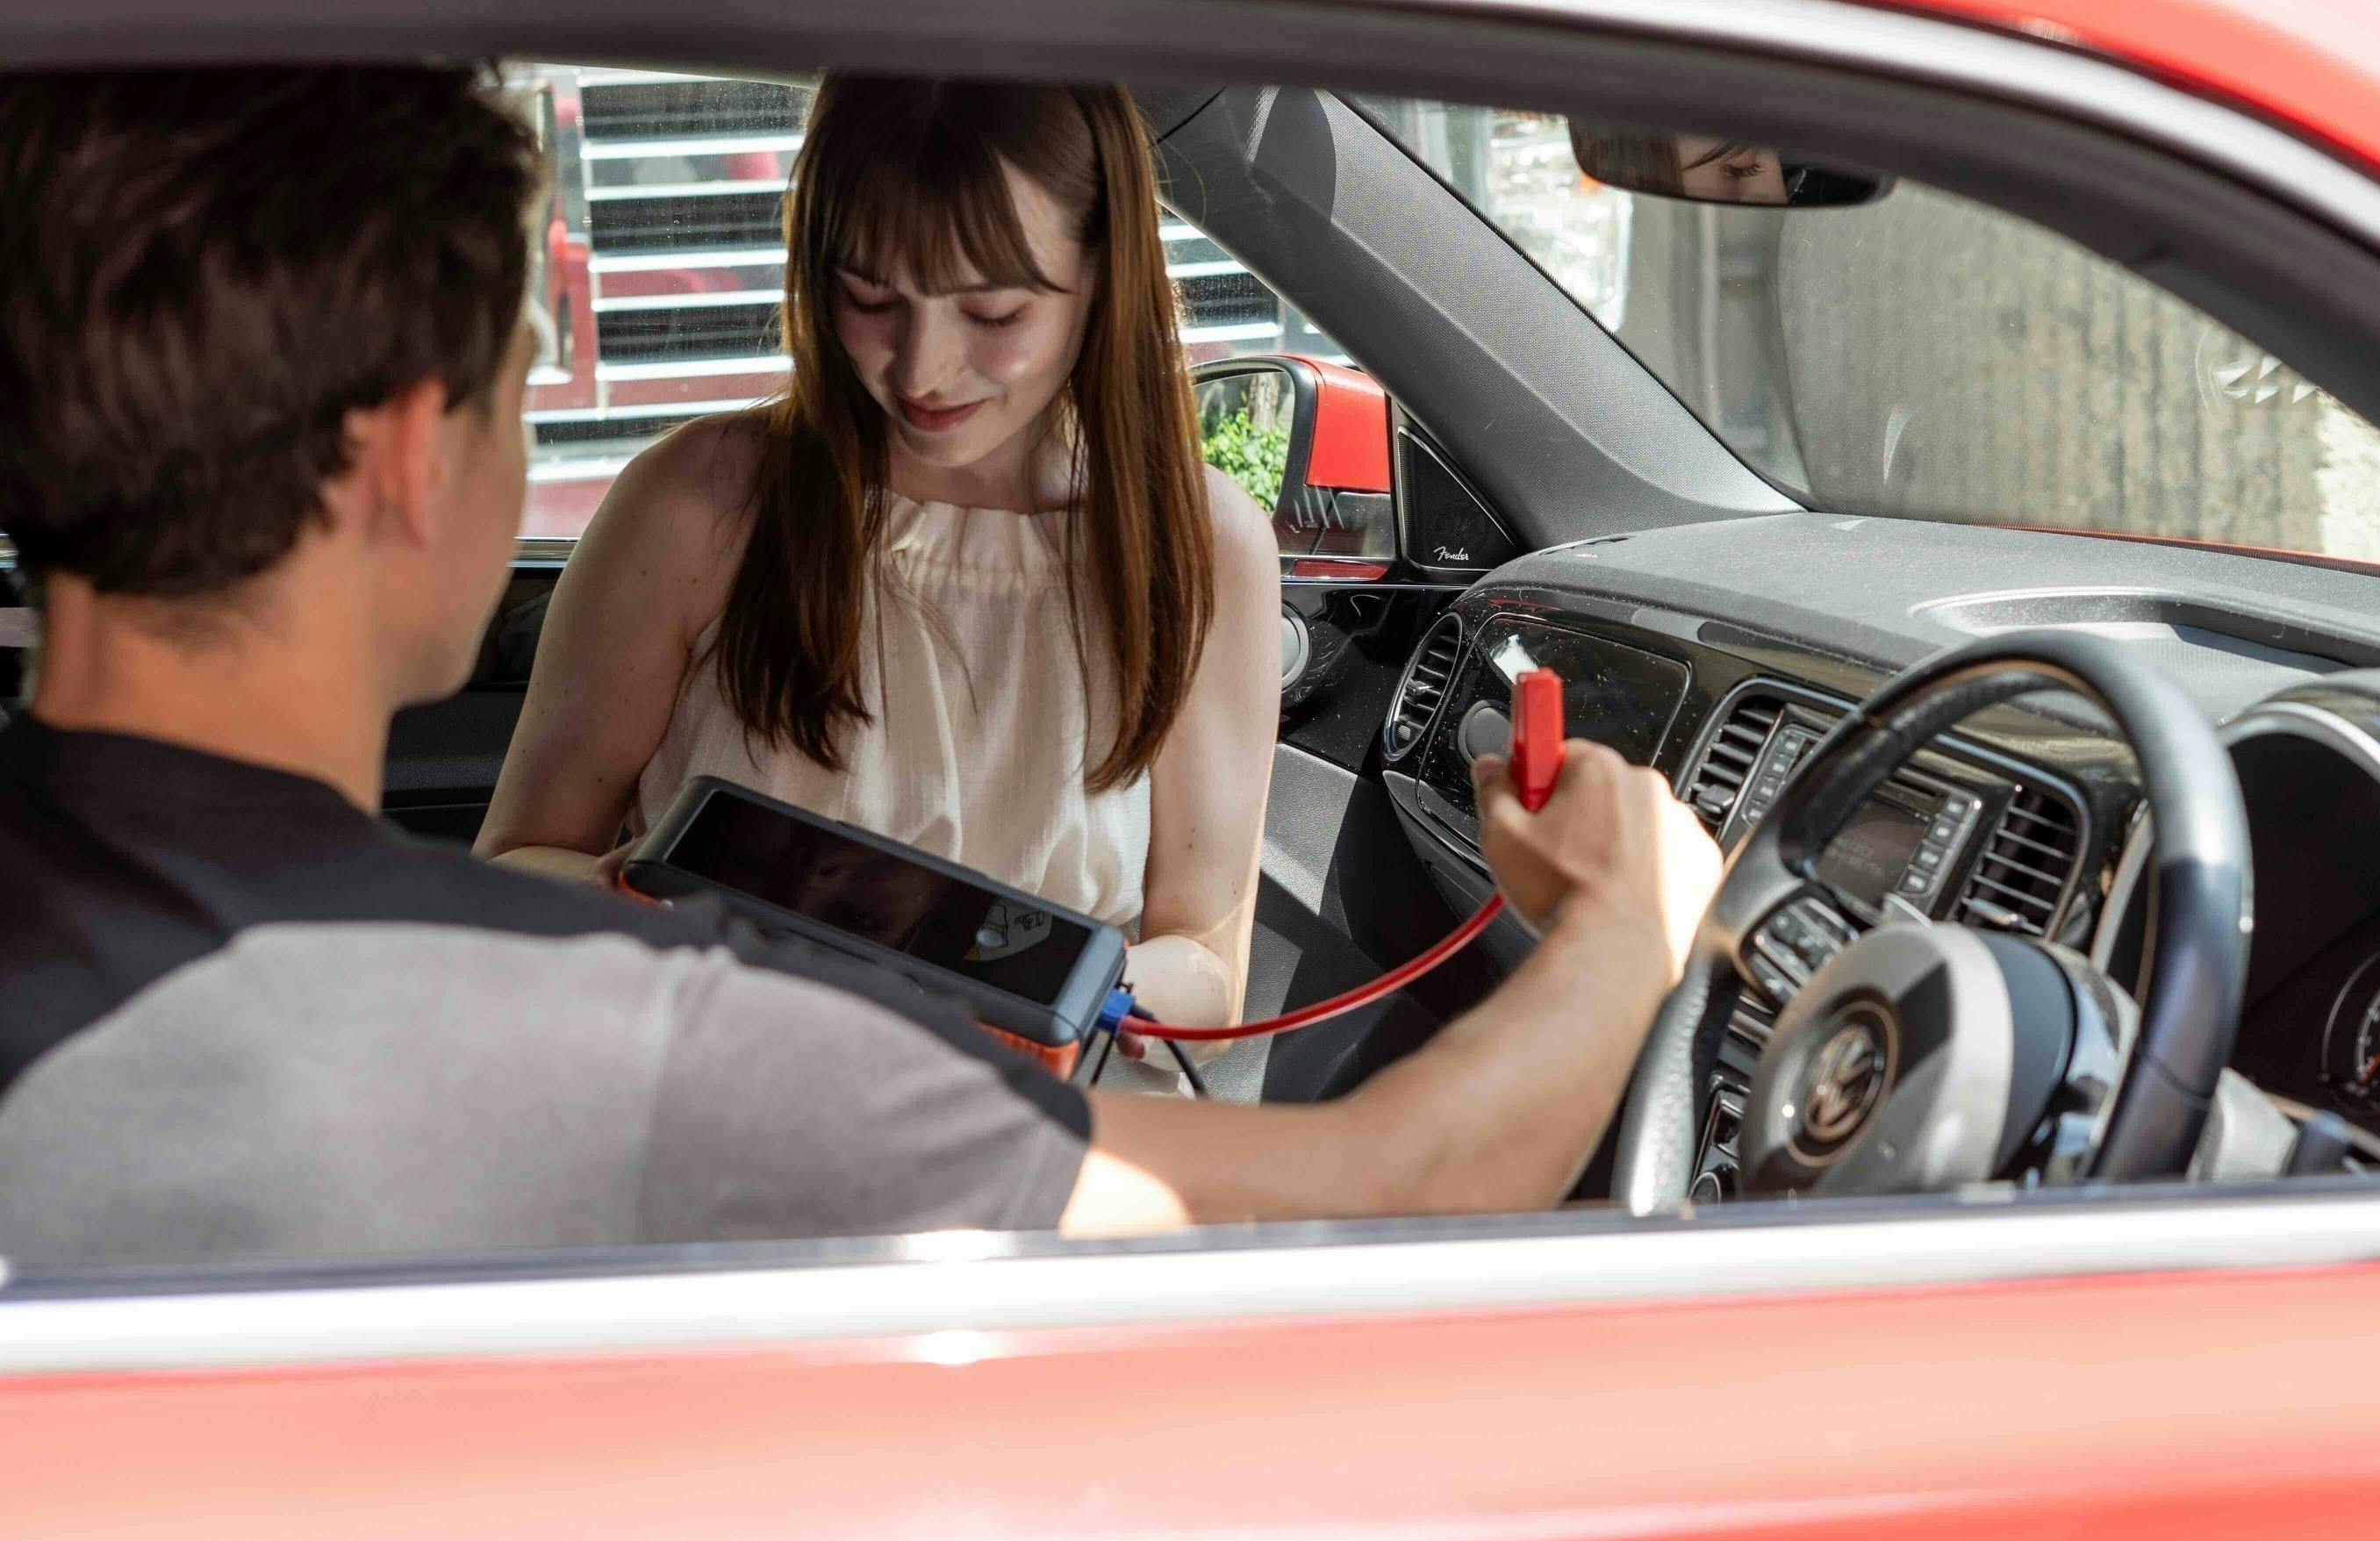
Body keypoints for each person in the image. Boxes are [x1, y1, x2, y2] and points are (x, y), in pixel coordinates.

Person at [0, 65, 1720, 1266]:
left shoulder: (420, 987)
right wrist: (1631, 925)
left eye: (994, 307)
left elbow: (1199, 950)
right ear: (402, 456)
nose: (922, 362)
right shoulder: (695, 1048)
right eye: (520, 388)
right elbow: (1392, 1187)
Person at [477, 79, 1268, 1058]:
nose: (921, 370)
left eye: (994, 312)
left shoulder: (1201, 546)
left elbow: (1209, 969)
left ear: (1104, 276)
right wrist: (623, 903)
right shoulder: (699, 504)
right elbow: (510, 864)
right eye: (872, 298)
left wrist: (1065, 992)